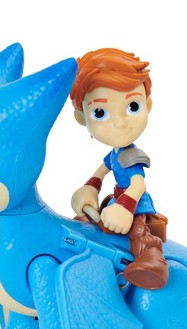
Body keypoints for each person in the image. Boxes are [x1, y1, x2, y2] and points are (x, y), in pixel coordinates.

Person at [69, 48, 168, 290]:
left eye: (133, 106)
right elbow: (101, 171)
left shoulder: (132, 155)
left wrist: (125, 206)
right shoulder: (114, 154)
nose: (120, 123)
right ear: (82, 118)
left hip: (135, 204)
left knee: (138, 231)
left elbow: (138, 185)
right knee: (92, 218)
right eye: (100, 112)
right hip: (117, 199)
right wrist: (90, 188)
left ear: (147, 105)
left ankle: (153, 261)